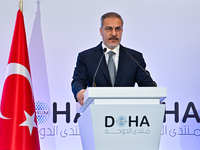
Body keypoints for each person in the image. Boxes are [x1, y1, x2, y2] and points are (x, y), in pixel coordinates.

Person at [71, 12, 156, 106]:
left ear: (122, 31)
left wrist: (154, 96)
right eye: (109, 29)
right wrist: (80, 91)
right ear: (101, 31)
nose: (114, 33)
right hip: (97, 111)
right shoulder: (86, 57)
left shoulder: (134, 57)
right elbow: (78, 80)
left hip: (128, 112)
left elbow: (147, 84)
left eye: (117, 29)